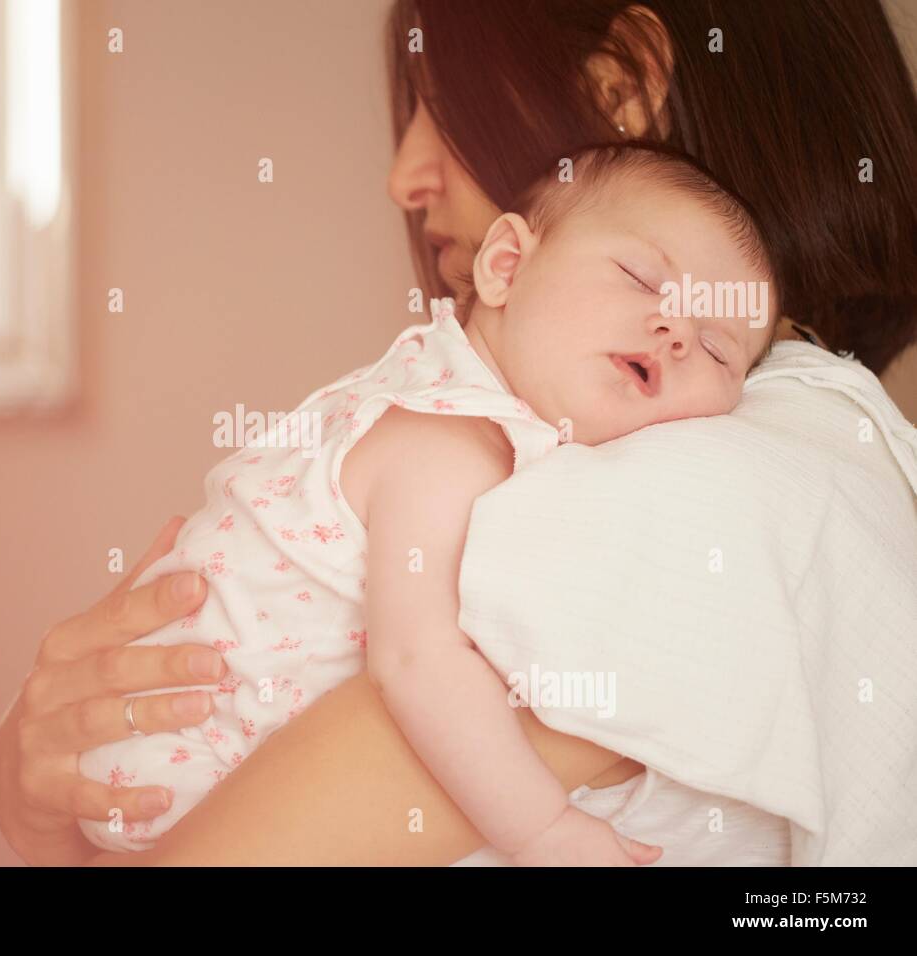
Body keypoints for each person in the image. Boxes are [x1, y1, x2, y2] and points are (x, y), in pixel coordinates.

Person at [0, 0, 917, 866]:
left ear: (622, 89)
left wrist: (38, 819)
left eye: (439, 104)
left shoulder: (695, 486)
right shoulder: (781, 441)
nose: (404, 176)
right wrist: (44, 798)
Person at [75, 144, 778, 865]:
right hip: (188, 766)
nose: (678, 330)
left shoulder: (457, 389)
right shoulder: (446, 440)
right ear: (506, 266)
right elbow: (417, 661)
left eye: (720, 348)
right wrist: (542, 830)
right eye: (640, 278)